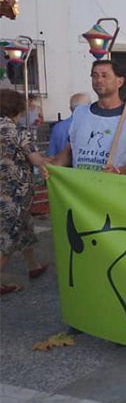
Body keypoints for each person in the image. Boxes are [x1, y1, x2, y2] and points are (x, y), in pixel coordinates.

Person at [49, 60, 126, 175]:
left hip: (114, 188)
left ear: (119, 82)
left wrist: (120, 172)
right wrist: (53, 167)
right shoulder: (80, 113)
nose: (99, 80)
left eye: (104, 76)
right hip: (82, 186)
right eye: (95, 76)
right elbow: (69, 150)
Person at [0, 89, 50, 295]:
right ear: (18, 109)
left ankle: (33, 266)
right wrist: (55, 164)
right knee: (8, 236)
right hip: (14, 193)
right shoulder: (18, 132)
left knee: (24, 227)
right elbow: (36, 159)